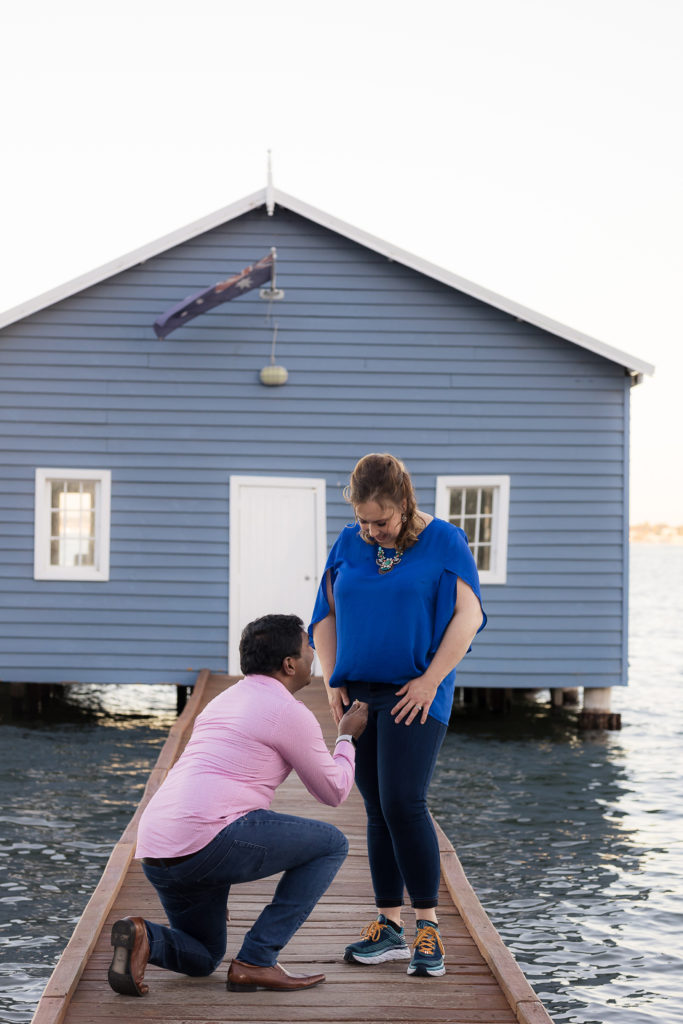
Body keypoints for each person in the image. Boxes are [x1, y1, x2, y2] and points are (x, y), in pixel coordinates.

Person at [107, 613, 368, 997]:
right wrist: (346, 738)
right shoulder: (288, 712)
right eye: (308, 645)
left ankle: (144, 936)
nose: (314, 653)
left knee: (203, 957)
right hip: (206, 840)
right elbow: (333, 792)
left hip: (158, 847)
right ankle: (258, 959)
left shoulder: (220, 701)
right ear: (290, 664)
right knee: (332, 844)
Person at [310, 453, 486, 978]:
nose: (371, 530)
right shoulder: (349, 542)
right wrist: (330, 678)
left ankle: (428, 928)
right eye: (363, 520)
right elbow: (325, 614)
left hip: (417, 692)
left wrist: (431, 680)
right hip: (359, 692)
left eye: (380, 521)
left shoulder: (446, 541)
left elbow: (469, 614)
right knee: (376, 808)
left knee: (404, 801)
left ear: (404, 505)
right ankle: (387, 926)